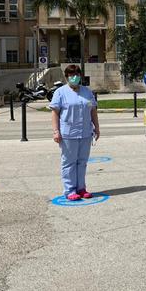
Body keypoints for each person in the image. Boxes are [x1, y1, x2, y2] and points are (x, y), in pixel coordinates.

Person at [49, 65, 100, 201]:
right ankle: (70, 190)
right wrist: (56, 131)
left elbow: (92, 110)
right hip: (68, 134)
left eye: (77, 74)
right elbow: (55, 113)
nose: (74, 77)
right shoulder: (60, 92)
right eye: (71, 74)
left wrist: (97, 127)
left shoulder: (87, 92)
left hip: (85, 133)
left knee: (82, 162)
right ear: (66, 77)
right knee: (69, 162)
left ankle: (81, 188)